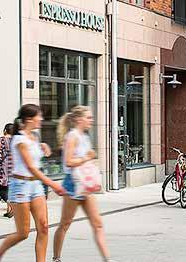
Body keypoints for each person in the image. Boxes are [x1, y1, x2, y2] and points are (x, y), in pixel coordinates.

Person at [0, 104, 66, 262]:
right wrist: (53, 184)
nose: (41, 119)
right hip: (20, 186)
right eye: (39, 116)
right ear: (29, 119)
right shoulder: (18, 139)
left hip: (36, 186)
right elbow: (30, 166)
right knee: (23, 233)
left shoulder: (34, 137)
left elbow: (35, 157)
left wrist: (42, 147)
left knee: (43, 227)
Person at [52, 106, 114, 262]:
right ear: (79, 119)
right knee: (65, 224)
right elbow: (68, 162)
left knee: (98, 224)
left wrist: (89, 157)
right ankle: (56, 258)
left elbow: (84, 158)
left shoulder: (84, 136)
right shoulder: (72, 136)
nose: (91, 120)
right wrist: (87, 158)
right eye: (89, 117)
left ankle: (107, 259)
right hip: (73, 184)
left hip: (85, 185)